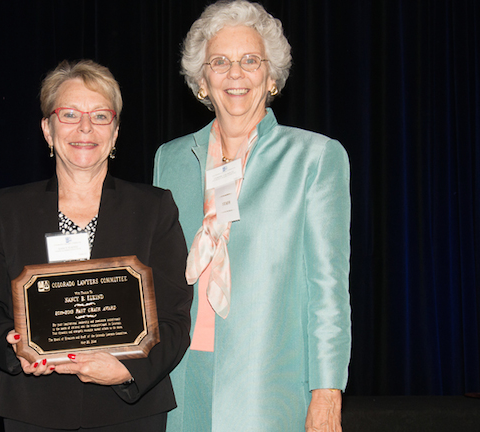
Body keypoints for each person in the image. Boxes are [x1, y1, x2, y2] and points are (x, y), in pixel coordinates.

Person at [0, 59, 192, 432]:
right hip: (34, 409)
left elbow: (175, 317)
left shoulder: (154, 208)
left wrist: (125, 370)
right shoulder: (6, 208)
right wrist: (13, 344)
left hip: (130, 412)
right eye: (69, 114)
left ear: (115, 133)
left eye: (101, 116)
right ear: (47, 129)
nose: (85, 127)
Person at [153, 1, 351, 431]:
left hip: (268, 389)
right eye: (219, 62)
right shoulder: (169, 160)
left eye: (250, 61)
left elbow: (329, 292)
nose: (235, 74)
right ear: (202, 80)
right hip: (179, 382)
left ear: (272, 76)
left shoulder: (314, 158)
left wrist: (327, 392)